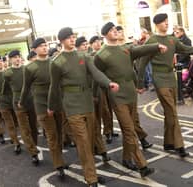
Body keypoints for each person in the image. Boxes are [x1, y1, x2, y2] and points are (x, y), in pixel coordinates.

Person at [48, 27, 119, 187]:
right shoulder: (57, 62)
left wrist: (109, 83)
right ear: (61, 41)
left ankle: (91, 172)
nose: (72, 40)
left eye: (73, 37)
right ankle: (91, 179)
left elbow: (95, 73)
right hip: (72, 105)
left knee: (91, 139)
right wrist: (51, 106)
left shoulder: (84, 56)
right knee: (83, 141)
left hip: (87, 102)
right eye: (68, 38)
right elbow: (54, 87)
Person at [137, 13, 193, 157]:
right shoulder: (152, 41)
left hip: (171, 77)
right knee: (172, 112)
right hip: (159, 79)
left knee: (169, 113)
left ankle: (168, 143)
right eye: (163, 22)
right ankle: (180, 145)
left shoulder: (172, 40)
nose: (167, 24)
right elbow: (142, 62)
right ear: (157, 24)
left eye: (167, 21)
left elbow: (187, 49)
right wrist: (140, 83)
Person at [94, 22, 167, 177]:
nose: (115, 31)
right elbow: (96, 76)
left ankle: (126, 158)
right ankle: (143, 166)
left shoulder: (125, 48)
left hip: (130, 94)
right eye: (111, 30)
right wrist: (97, 94)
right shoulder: (101, 54)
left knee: (131, 128)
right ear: (105, 34)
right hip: (117, 95)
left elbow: (140, 49)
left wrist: (156, 46)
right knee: (128, 130)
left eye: (115, 29)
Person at [19, 38, 67, 177]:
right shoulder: (30, 68)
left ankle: (60, 159)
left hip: (57, 103)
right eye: (41, 46)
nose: (44, 48)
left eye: (46, 45)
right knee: (52, 136)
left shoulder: (55, 63)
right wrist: (21, 102)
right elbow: (26, 87)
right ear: (34, 50)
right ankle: (59, 165)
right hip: (42, 106)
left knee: (59, 133)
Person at [4, 50, 39, 166]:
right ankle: (33, 152)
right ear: (10, 60)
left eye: (18, 56)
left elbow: (34, 83)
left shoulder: (27, 69)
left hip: (30, 100)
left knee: (34, 126)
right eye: (14, 57)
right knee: (24, 128)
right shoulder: (8, 73)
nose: (17, 59)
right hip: (18, 102)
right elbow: (5, 89)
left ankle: (34, 144)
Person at [0, 55, 21, 154]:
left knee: (17, 122)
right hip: (2, 101)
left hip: (13, 99)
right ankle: (16, 143)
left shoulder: (9, 72)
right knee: (9, 124)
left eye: (1, 61)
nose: (0, 63)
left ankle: (14, 137)